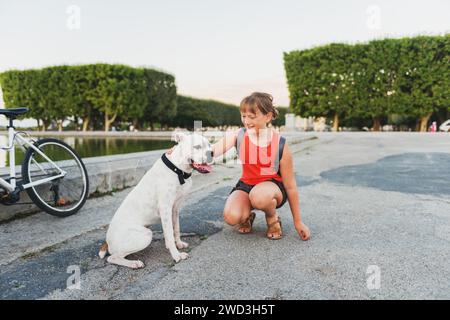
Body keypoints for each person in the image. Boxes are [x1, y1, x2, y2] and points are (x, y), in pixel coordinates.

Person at [169, 92, 310, 241]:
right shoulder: (239, 135)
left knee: (260, 197)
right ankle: (247, 215)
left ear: (268, 117)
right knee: (231, 217)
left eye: (252, 116)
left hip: (272, 188)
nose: (246, 121)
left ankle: (272, 218)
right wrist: (183, 149)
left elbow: (290, 186)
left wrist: (298, 222)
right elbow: (211, 153)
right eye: (243, 116)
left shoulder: (280, 143)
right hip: (247, 185)